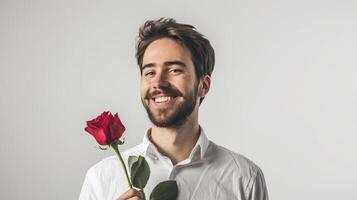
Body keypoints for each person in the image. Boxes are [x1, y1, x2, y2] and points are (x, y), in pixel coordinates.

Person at [79, 18, 269, 200]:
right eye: (150, 72)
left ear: (204, 85)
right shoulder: (101, 178)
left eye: (174, 70)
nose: (158, 83)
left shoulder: (245, 177)